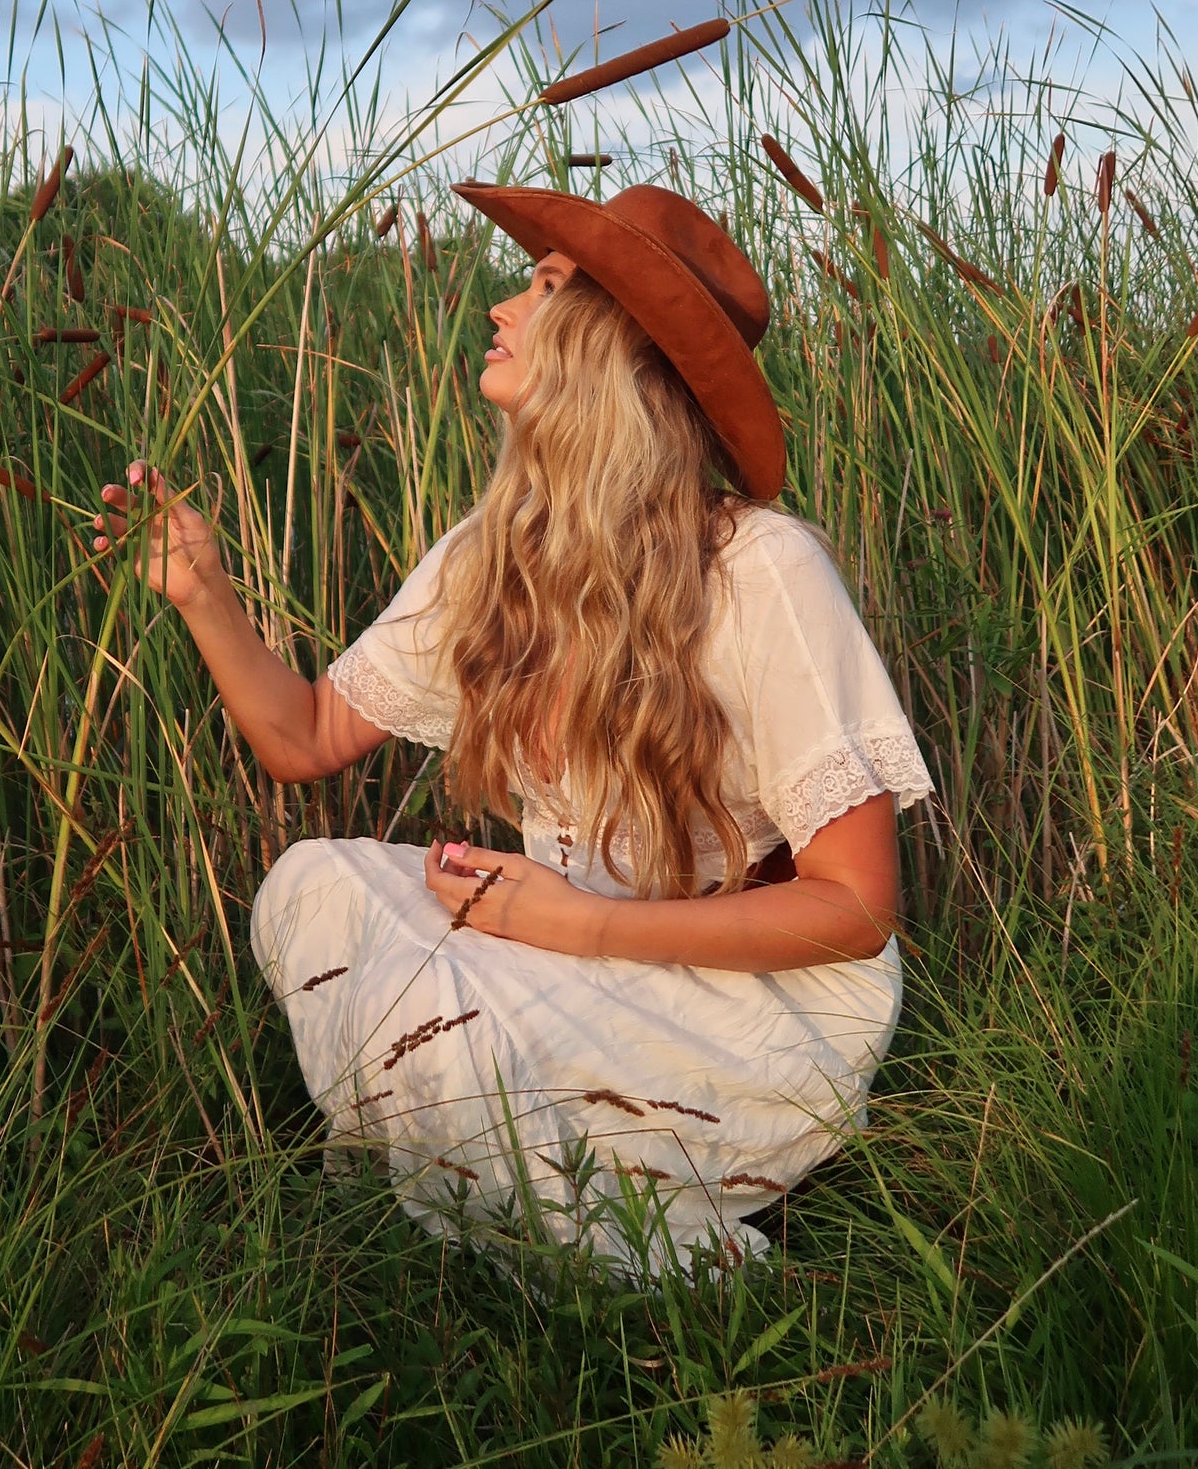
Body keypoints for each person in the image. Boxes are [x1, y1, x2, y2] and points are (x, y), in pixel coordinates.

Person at [94, 181, 933, 1273]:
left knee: (448, 1046)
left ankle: (684, 1271)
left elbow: (853, 911)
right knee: (313, 886)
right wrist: (203, 595)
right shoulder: (490, 560)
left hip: (750, 1009)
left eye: (541, 288)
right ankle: (522, 1188)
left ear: (613, 348)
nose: (499, 306)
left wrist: (572, 925)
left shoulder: (761, 571)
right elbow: (300, 741)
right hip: (557, 964)